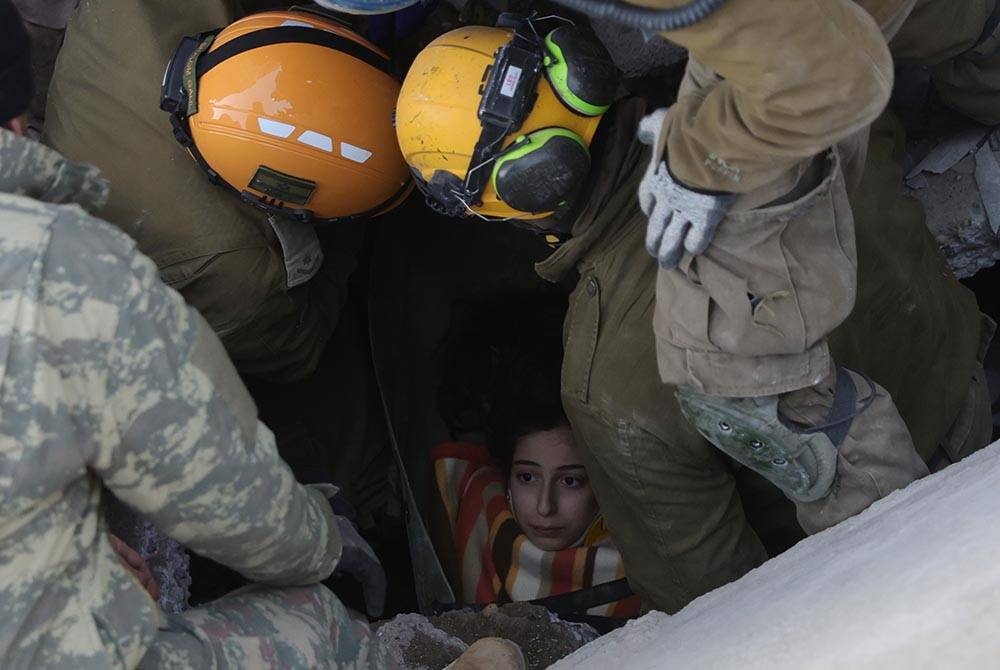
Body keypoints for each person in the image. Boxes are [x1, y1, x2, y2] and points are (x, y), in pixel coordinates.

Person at [394, 16, 993, 614]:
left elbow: (719, 608)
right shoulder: (783, 76)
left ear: (518, 193)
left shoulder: (607, 388)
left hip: (897, 561)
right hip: (971, 407)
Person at [433, 294, 640, 617]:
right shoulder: (473, 508)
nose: (545, 506)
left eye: (571, 481)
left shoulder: (645, 561)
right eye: (527, 477)